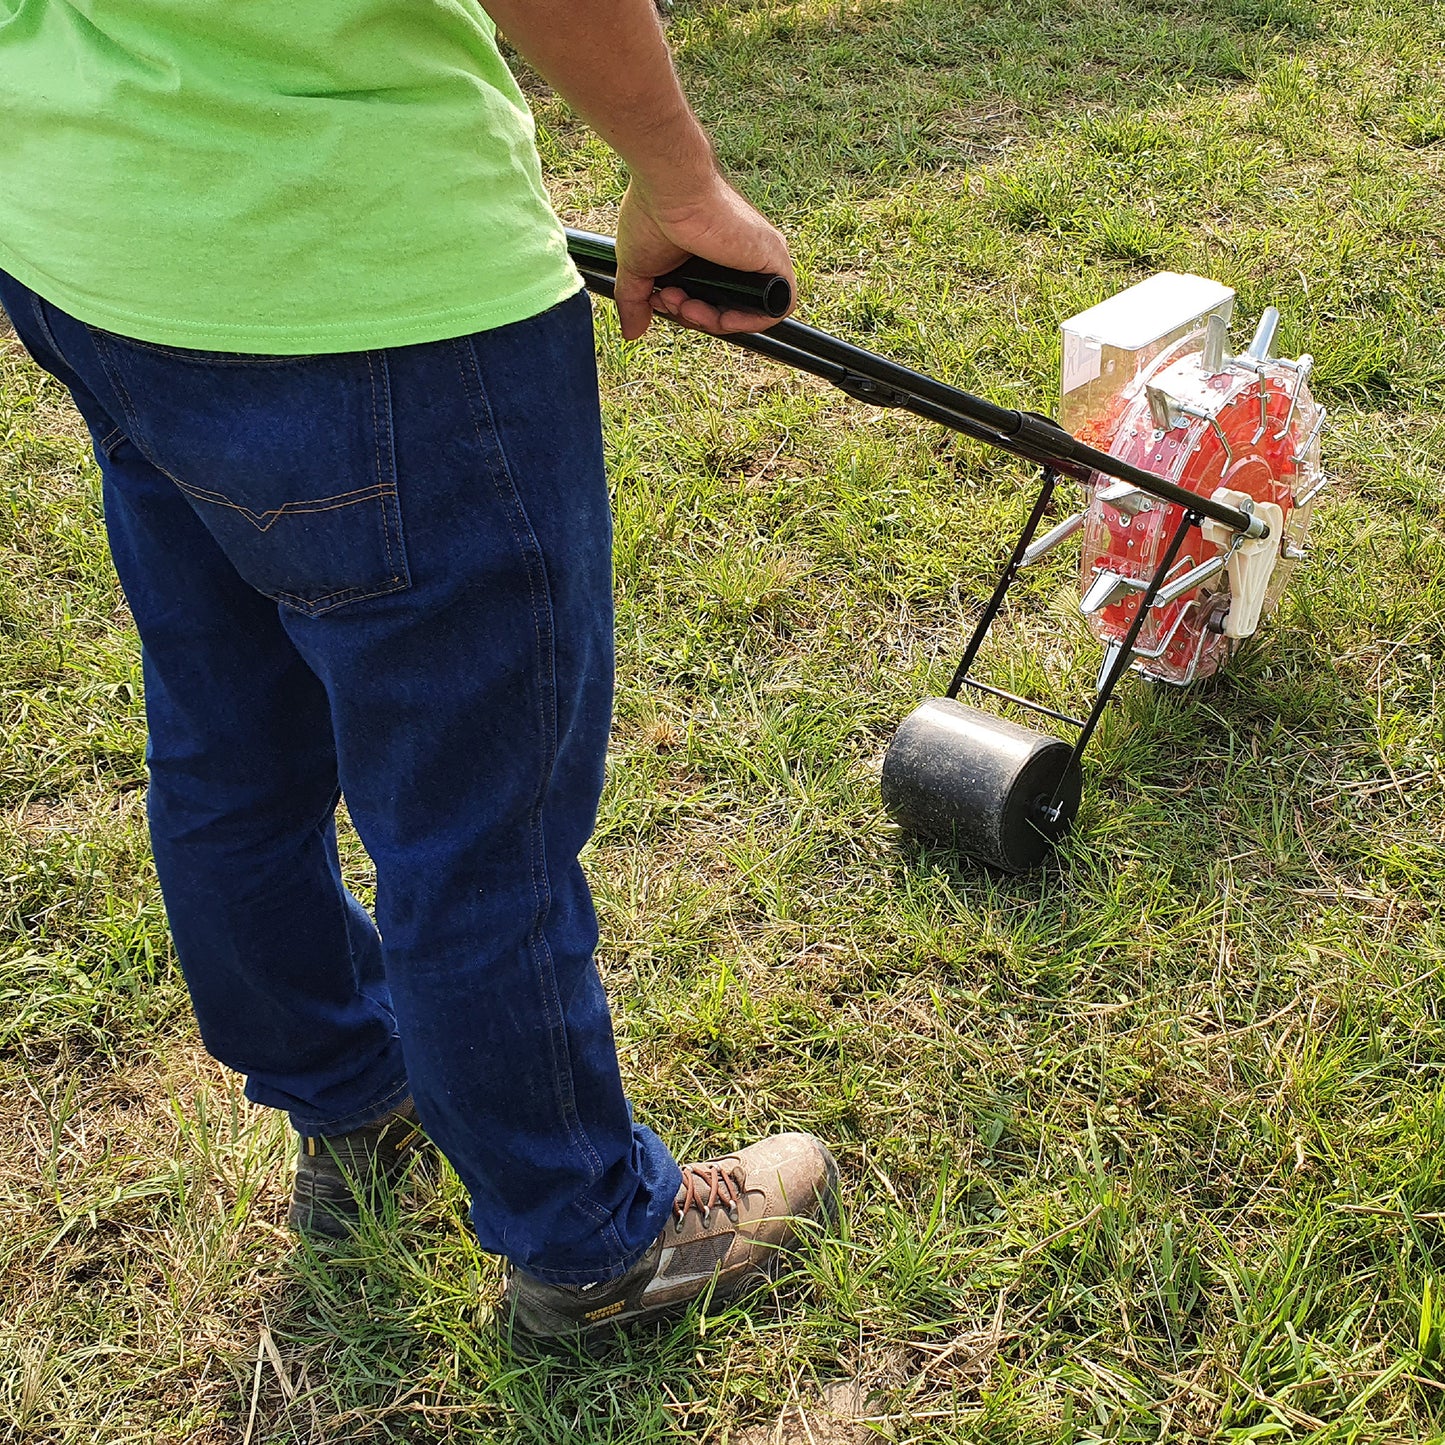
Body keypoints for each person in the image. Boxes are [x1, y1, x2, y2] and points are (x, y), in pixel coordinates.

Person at [0, 0, 837, 1338]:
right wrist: (679, 178)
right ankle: (588, 1235)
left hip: (88, 237)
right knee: (476, 822)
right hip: (359, 284)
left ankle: (341, 1079)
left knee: (229, 742)